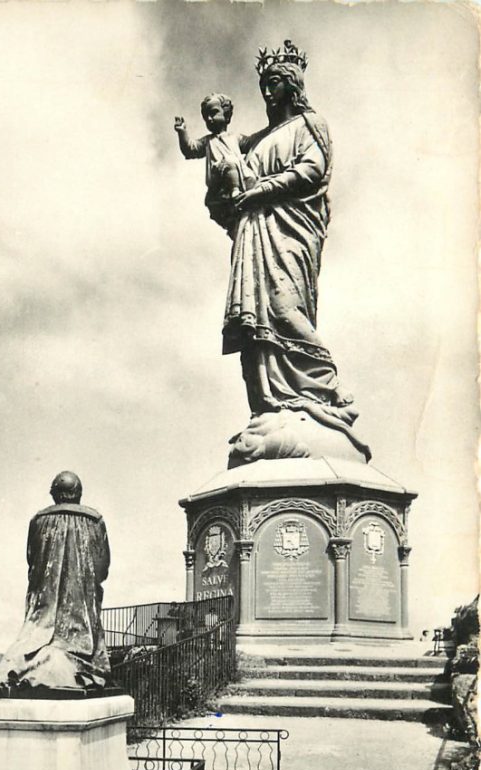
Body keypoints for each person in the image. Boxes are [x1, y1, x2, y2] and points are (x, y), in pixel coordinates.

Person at [222, 42, 370, 459]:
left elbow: (312, 171)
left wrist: (260, 192)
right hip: (255, 235)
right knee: (258, 322)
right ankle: (270, 403)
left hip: (290, 233)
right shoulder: (257, 140)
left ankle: (327, 386)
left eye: (273, 85)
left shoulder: (310, 124)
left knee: (287, 309)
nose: (267, 94)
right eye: (263, 86)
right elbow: (232, 187)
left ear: (291, 86)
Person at [0, 471, 112, 694]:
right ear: (78, 493)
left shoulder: (39, 520)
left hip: (43, 603)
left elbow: (31, 558)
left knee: (31, 642)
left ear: (55, 495)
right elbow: (102, 566)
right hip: (81, 606)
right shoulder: (95, 520)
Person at [174, 93, 255, 236]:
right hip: (218, 181)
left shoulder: (236, 137)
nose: (209, 119)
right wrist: (182, 132)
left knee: (232, 163)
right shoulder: (207, 141)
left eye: (213, 113)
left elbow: (253, 142)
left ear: (227, 114)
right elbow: (190, 149)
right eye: (206, 117)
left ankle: (236, 192)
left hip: (235, 176)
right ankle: (234, 194)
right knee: (229, 162)